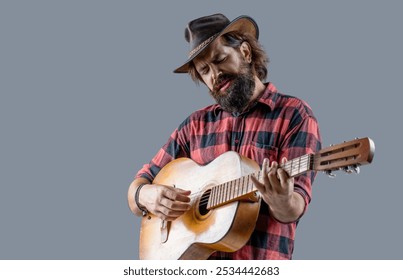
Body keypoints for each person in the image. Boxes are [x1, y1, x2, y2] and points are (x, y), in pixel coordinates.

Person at [128, 13, 321, 260]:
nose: (214, 75)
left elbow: (293, 208)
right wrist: (145, 195)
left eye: (220, 59)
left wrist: (281, 199)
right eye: (204, 71)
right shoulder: (194, 126)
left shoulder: (294, 115)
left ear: (245, 53)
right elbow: (138, 186)